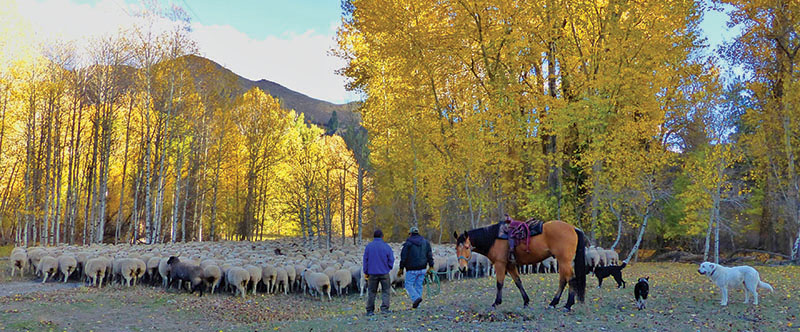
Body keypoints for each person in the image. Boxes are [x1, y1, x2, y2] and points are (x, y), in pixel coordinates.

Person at [398, 226, 434, 309]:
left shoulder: (407, 244)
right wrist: (431, 266)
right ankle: (418, 305)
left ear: (410, 234)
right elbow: (429, 254)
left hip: (411, 269)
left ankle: (416, 298)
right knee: (419, 285)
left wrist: (401, 268)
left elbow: (403, 257)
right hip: (422, 268)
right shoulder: (425, 242)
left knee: (408, 285)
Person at [363, 228, 394, 316]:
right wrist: (389, 267)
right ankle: (384, 308)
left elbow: (365, 260)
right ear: (382, 236)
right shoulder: (386, 246)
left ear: (373, 236)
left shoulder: (369, 247)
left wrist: (366, 271)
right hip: (384, 272)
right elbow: (391, 259)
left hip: (372, 273)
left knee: (372, 291)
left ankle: (370, 310)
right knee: (386, 291)